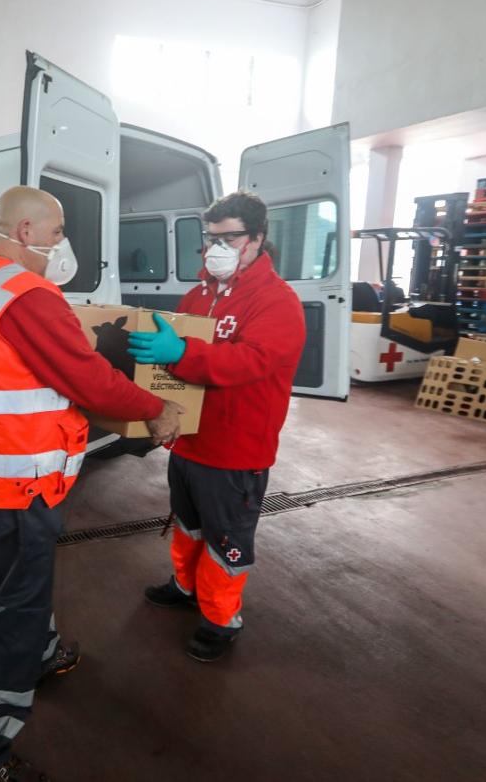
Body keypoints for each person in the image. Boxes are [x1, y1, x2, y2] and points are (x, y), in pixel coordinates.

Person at [0, 186, 184, 781]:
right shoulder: (26, 295)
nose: (62, 243)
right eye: (57, 231)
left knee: (15, 585)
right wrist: (155, 407)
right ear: (25, 232)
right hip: (20, 480)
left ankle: (42, 653)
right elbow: (89, 379)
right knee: (13, 613)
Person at [126, 191, 305, 663]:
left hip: (235, 448)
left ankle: (221, 619)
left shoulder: (277, 302)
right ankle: (185, 587)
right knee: (188, 526)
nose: (216, 248)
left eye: (230, 238)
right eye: (210, 238)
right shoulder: (198, 295)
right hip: (190, 442)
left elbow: (252, 361)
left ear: (258, 240)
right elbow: (175, 369)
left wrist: (182, 354)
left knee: (226, 537)